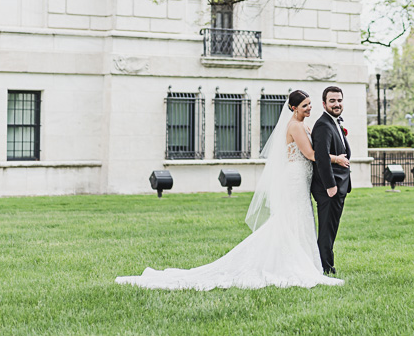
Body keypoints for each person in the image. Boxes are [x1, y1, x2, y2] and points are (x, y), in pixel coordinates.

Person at [115, 90, 343, 290]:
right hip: (295, 177)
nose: (309, 107)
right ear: (293, 108)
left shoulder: (305, 123)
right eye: (305, 105)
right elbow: (312, 154)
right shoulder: (294, 125)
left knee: (300, 218)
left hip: (303, 177)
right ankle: (291, 263)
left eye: (311, 104)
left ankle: (304, 260)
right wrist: (337, 159)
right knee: (292, 218)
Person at [310, 85, 351, 275]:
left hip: (339, 186)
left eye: (339, 100)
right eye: (332, 101)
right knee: (326, 229)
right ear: (324, 103)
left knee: (332, 228)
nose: (337, 104)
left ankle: (326, 264)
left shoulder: (335, 122)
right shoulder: (323, 125)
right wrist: (330, 186)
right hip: (329, 188)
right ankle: (326, 267)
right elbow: (321, 157)